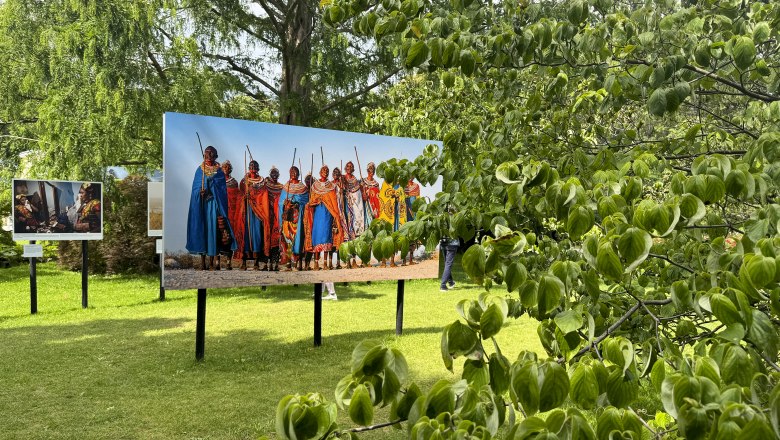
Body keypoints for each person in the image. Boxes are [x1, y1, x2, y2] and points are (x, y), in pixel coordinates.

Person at [186, 145, 236, 270]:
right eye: (207, 153)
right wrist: (200, 193)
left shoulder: (219, 171)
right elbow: (195, 188)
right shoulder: (199, 170)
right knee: (203, 230)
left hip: (214, 204)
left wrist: (210, 191)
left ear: (216, 155)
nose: (209, 155)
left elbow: (222, 190)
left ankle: (212, 262)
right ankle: (203, 263)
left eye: (212, 153)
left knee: (213, 231)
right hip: (202, 206)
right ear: (204, 154)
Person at [304, 165, 345, 270]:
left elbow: (334, 202)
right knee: (317, 237)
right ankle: (316, 264)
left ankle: (326, 264)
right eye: (323, 170)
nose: (325, 172)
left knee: (327, 237)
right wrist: (317, 199)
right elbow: (312, 200)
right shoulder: (315, 186)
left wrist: (336, 215)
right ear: (320, 172)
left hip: (328, 214)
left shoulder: (331, 186)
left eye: (327, 170)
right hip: (318, 214)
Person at [238, 159, 271, 270]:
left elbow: (263, 195)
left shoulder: (262, 182)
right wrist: (245, 197)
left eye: (255, 166)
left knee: (257, 235)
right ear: (248, 167)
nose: (253, 167)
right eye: (251, 166)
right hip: (246, 210)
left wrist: (253, 197)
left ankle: (256, 262)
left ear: (258, 168)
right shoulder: (244, 181)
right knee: (245, 234)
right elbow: (240, 195)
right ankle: (244, 262)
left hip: (258, 212)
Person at [279, 166, 309, 271]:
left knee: (298, 240)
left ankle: (296, 263)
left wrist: (297, 204)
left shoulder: (303, 188)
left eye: (295, 171)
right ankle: (288, 263)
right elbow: (280, 202)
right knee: (288, 240)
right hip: (288, 219)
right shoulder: (286, 187)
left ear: (298, 173)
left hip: (298, 218)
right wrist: (285, 204)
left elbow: (306, 202)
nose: (293, 173)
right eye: (291, 171)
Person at [222, 160, 241, 270]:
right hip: (221, 212)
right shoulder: (218, 180)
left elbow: (237, 196)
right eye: (225, 167)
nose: (227, 169)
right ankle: (217, 262)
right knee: (219, 235)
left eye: (228, 167)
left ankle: (229, 262)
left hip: (232, 213)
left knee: (230, 236)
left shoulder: (234, 182)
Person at [265, 167, 283, 271]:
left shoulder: (281, 187)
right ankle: (267, 264)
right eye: (272, 173)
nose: (274, 175)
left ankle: (275, 263)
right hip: (268, 215)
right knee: (266, 238)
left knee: (277, 239)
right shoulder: (266, 185)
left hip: (278, 215)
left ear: (279, 175)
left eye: (276, 173)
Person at [404, 178, 421, 265]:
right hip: (403, 215)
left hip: (413, 215)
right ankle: (404, 260)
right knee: (404, 235)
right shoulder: (403, 186)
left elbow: (418, 201)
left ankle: (410, 259)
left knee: (412, 236)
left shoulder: (416, 186)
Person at [361, 162, 381, 226]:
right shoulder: (363, 181)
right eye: (370, 169)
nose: (371, 171)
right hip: (365, 203)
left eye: (373, 169)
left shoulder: (376, 183)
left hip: (374, 205)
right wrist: (363, 195)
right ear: (367, 170)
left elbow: (378, 195)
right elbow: (360, 192)